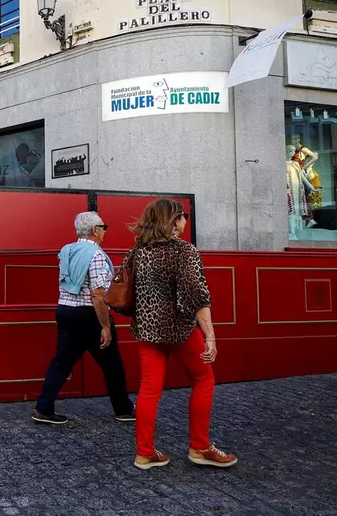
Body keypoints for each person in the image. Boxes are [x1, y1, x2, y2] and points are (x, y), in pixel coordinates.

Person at [126, 199, 236, 470]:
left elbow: (125, 287)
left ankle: (145, 453)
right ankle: (199, 447)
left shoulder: (138, 251)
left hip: (147, 330)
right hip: (180, 329)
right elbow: (197, 297)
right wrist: (210, 336)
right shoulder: (184, 251)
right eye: (183, 216)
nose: (185, 220)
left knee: (149, 390)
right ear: (173, 221)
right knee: (203, 379)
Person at [32, 211, 134, 425]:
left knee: (61, 362)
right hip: (89, 315)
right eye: (103, 228)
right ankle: (123, 409)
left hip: (66, 310)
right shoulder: (96, 255)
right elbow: (97, 294)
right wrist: (105, 326)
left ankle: (43, 407)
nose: (105, 232)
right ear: (96, 230)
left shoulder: (66, 250)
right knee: (112, 364)